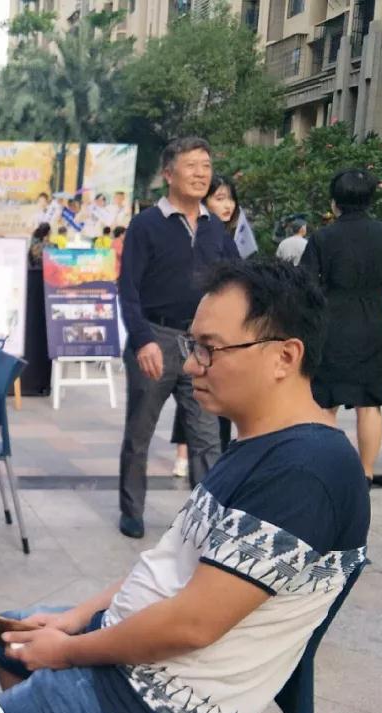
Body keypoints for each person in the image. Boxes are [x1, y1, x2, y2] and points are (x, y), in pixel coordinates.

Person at [0, 257, 369, 713]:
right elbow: (171, 561)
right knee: (12, 638)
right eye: (193, 345)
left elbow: (193, 625)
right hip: (136, 664)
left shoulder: (304, 472)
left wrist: (69, 652)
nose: (191, 365)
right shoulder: (258, 443)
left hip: (158, 712)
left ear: (285, 356)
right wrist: (74, 618)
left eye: (210, 349)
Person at [117, 137, 239, 539]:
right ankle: (132, 511)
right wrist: (142, 340)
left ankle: (208, 520)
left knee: (207, 437)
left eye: (206, 166)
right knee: (140, 433)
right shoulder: (146, 225)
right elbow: (128, 288)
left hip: (201, 345)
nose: (201, 174)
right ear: (169, 174)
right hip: (156, 337)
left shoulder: (215, 228)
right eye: (192, 166)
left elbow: (235, 281)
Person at [300, 168, 382, 480]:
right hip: (374, 328)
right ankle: (365, 473)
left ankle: (323, 469)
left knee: (325, 402)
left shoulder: (322, 237)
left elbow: (305, 285)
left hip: (331, 327)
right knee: (369, 403)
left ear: (334, 201)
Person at [170, 173, 244, 475]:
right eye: (220, 198)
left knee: (209, 398)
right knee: (201, 395)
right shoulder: (199, 238)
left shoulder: (226, 237)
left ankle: (197, 458)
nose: (228, 205)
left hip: (220, 331)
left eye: (231, 198)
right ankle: (196, 459)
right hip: (199, 331)